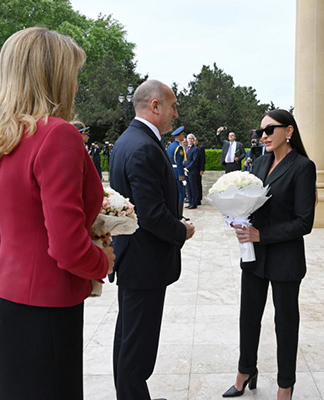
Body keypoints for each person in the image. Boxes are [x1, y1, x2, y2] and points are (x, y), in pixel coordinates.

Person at [0, 27, 115, 399]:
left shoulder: (0, 137)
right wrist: (103, 261)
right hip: (43, 311)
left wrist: (32, 244)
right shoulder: (58, 134)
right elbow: (67, 248)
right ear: (55, 76)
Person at [108, 79, 195, 400]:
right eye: (172, 106)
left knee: (129, 337)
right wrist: (181, 230)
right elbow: (150, 214)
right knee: (138, 346)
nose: (175, 113)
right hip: (144, 261)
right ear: (155, 106)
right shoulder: (144, 145)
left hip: (133, 258)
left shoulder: (128, 140)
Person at [224, 109, 316, 400]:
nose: (262, 136)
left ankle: (285, 385)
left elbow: (305, 222)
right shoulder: (260, 162)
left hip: (285, 258)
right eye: (260, 131)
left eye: (269, 130)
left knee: (285, 324)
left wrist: (263, 235)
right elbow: (251, 203)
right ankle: (245, 371)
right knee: (248, 317)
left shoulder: (303, 167)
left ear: (288, 131)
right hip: (254, 256)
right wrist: (236, 216)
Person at [167, 126, 186, 218]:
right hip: (177, 173)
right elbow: (179, 163)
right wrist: (182, 176)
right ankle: (179, 215)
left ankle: (175, 214)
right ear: (180, 136)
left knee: (174, 193)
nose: (184, 137)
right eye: (183, 135)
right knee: (180, 193)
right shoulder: (179, 147)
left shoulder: (171, 146)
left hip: (171, 171)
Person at [184, 133, 201, 209]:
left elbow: (194, 161)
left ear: (194, 140)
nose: (190, 140)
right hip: (185, 171)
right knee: (188, 188)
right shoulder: (185, 148)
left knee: (193, 187)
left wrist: (187, 168)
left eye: (191, 138)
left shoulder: (196, 149)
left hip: (192, 171)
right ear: (187, 140)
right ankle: (190, 202)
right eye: (189, 138)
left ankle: (194, 203)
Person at [195, 136, 205, 206]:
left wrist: (202, 169)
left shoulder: (200, 148)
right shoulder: (190, 148)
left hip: (198, 169)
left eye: (195, 140)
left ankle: (199, 198)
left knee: (198, 184)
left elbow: (202, 160)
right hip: (192, 169)